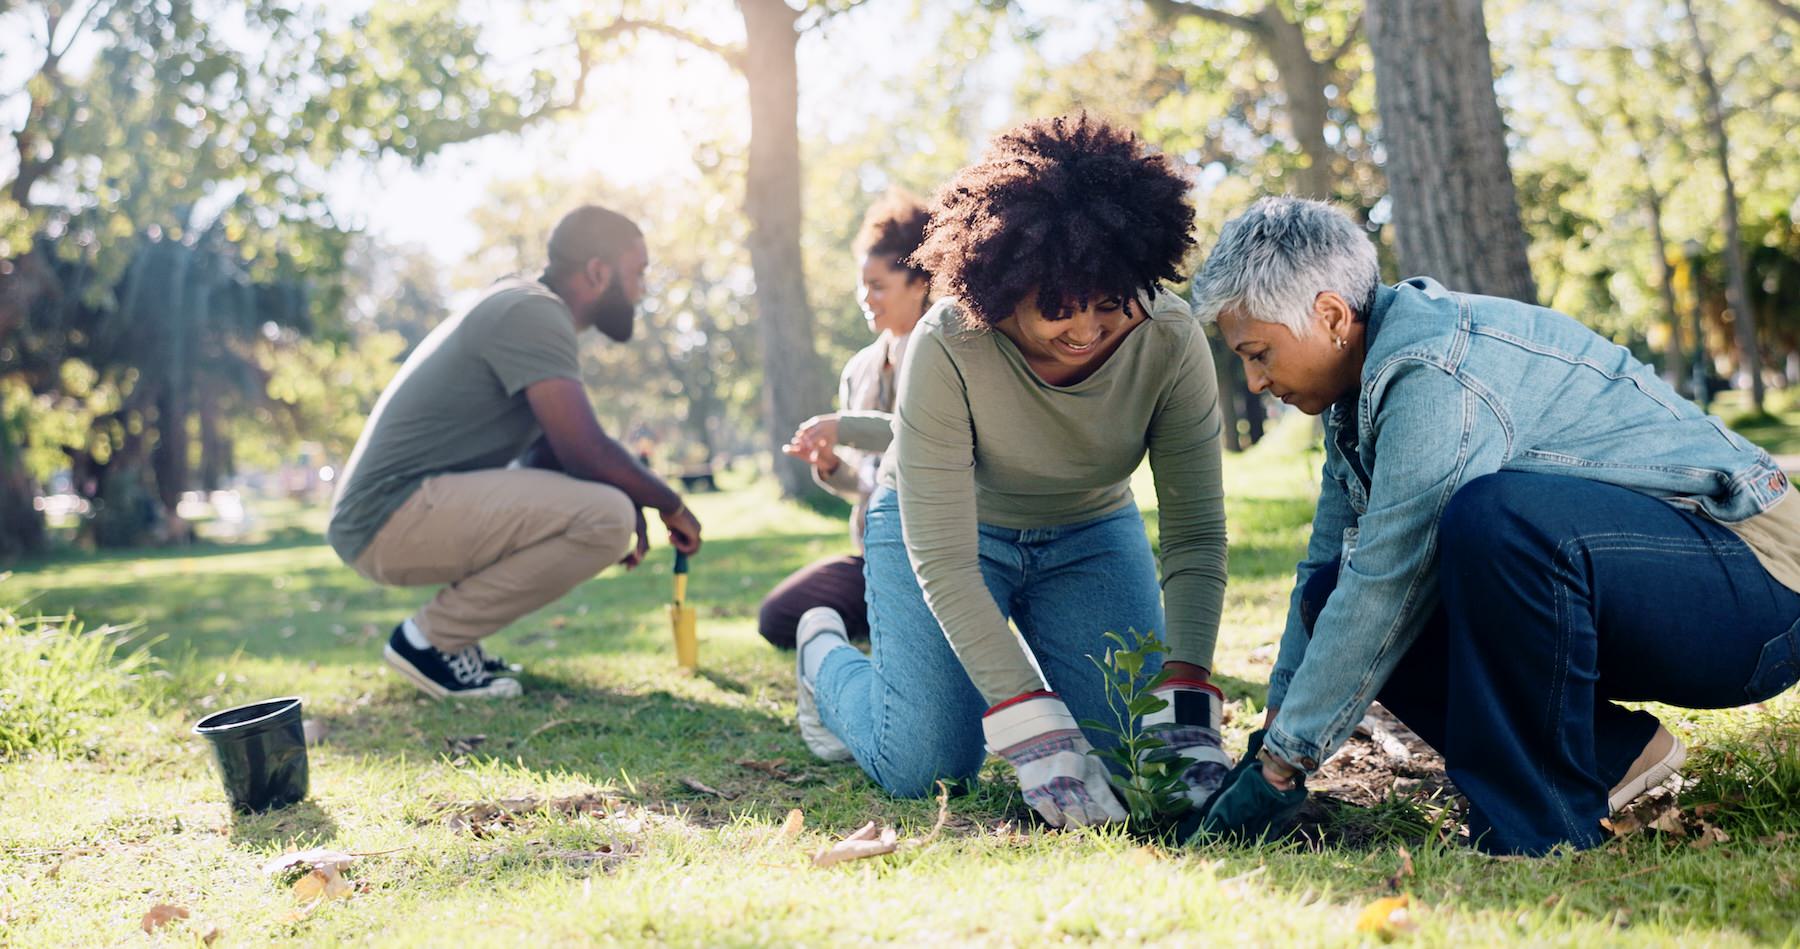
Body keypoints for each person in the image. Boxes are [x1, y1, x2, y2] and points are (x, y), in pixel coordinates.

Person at [1190, 196, 1800, 854]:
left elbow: (1389, 580)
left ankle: (1536, 826)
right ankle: (1607, 758)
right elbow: (1325, 571)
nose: (1253, 381)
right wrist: (1273, 731)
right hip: (1655, 585)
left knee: (1493, 520)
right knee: (1328, 590)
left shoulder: (1432, 373)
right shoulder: (1357, 395)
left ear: (1332, 316)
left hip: (1757, 587)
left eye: (1259, 354)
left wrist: (1284, 767)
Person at [794, 114, 1233, 827]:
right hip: (945, 536)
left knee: (1142, 762)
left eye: (1109, 306)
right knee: (928, 766)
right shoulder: (949, 341)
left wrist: (1185, 693)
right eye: (1057, 310)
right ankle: (823, 659)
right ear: (1002, 295)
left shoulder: (1170, 338)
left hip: (1088, 531)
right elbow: (941, 557)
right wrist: (1031, 721)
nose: (1087, 330)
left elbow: (1195, 537)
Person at [327, 206, 703, 700]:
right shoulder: (533, 311)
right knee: (606, 518)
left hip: (391, 514)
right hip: (387, 514)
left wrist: (627, 494)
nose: (643, 289)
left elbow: (549, 455)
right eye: (639, 273)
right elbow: (582, 446)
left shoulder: (525, 307)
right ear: (597, 272)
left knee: (610, 511)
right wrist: (668, 503)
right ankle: (429, 641)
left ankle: (452, 641)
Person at [758, 190, 933, 665]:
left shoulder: (950, 355)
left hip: (938, 552)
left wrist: (843, 426)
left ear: (919, 283)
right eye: (862, 286)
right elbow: (864, 484)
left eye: (878, 286)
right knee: (776, 616)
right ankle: (880, 620)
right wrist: (831, 465)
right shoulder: (860, 369)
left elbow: (925, 438)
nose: (866, 298)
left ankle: (895, 623)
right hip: (874, 553)